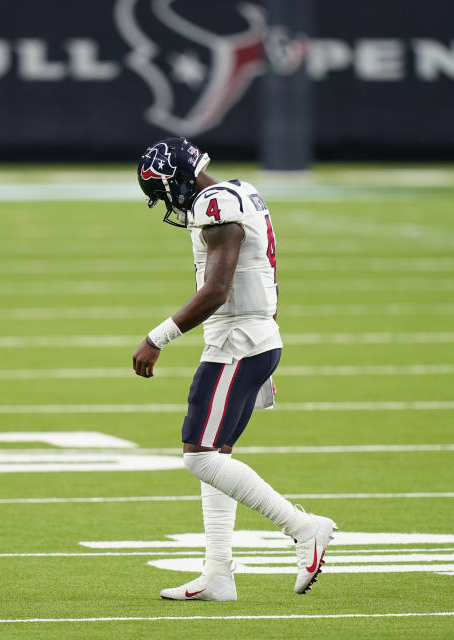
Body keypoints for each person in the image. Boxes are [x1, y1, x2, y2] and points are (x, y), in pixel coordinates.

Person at [132, 136, 336, 601]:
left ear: (179, 179)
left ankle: (304, 527)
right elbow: (264, 280)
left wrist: (156, 337)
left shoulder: (217, 205)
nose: (166, 201)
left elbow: (218, 290)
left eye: (163, 190)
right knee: (215, 457)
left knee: (199, 455)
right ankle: (219, 574)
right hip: (249, 341)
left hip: (238, 342)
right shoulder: (239, 192)